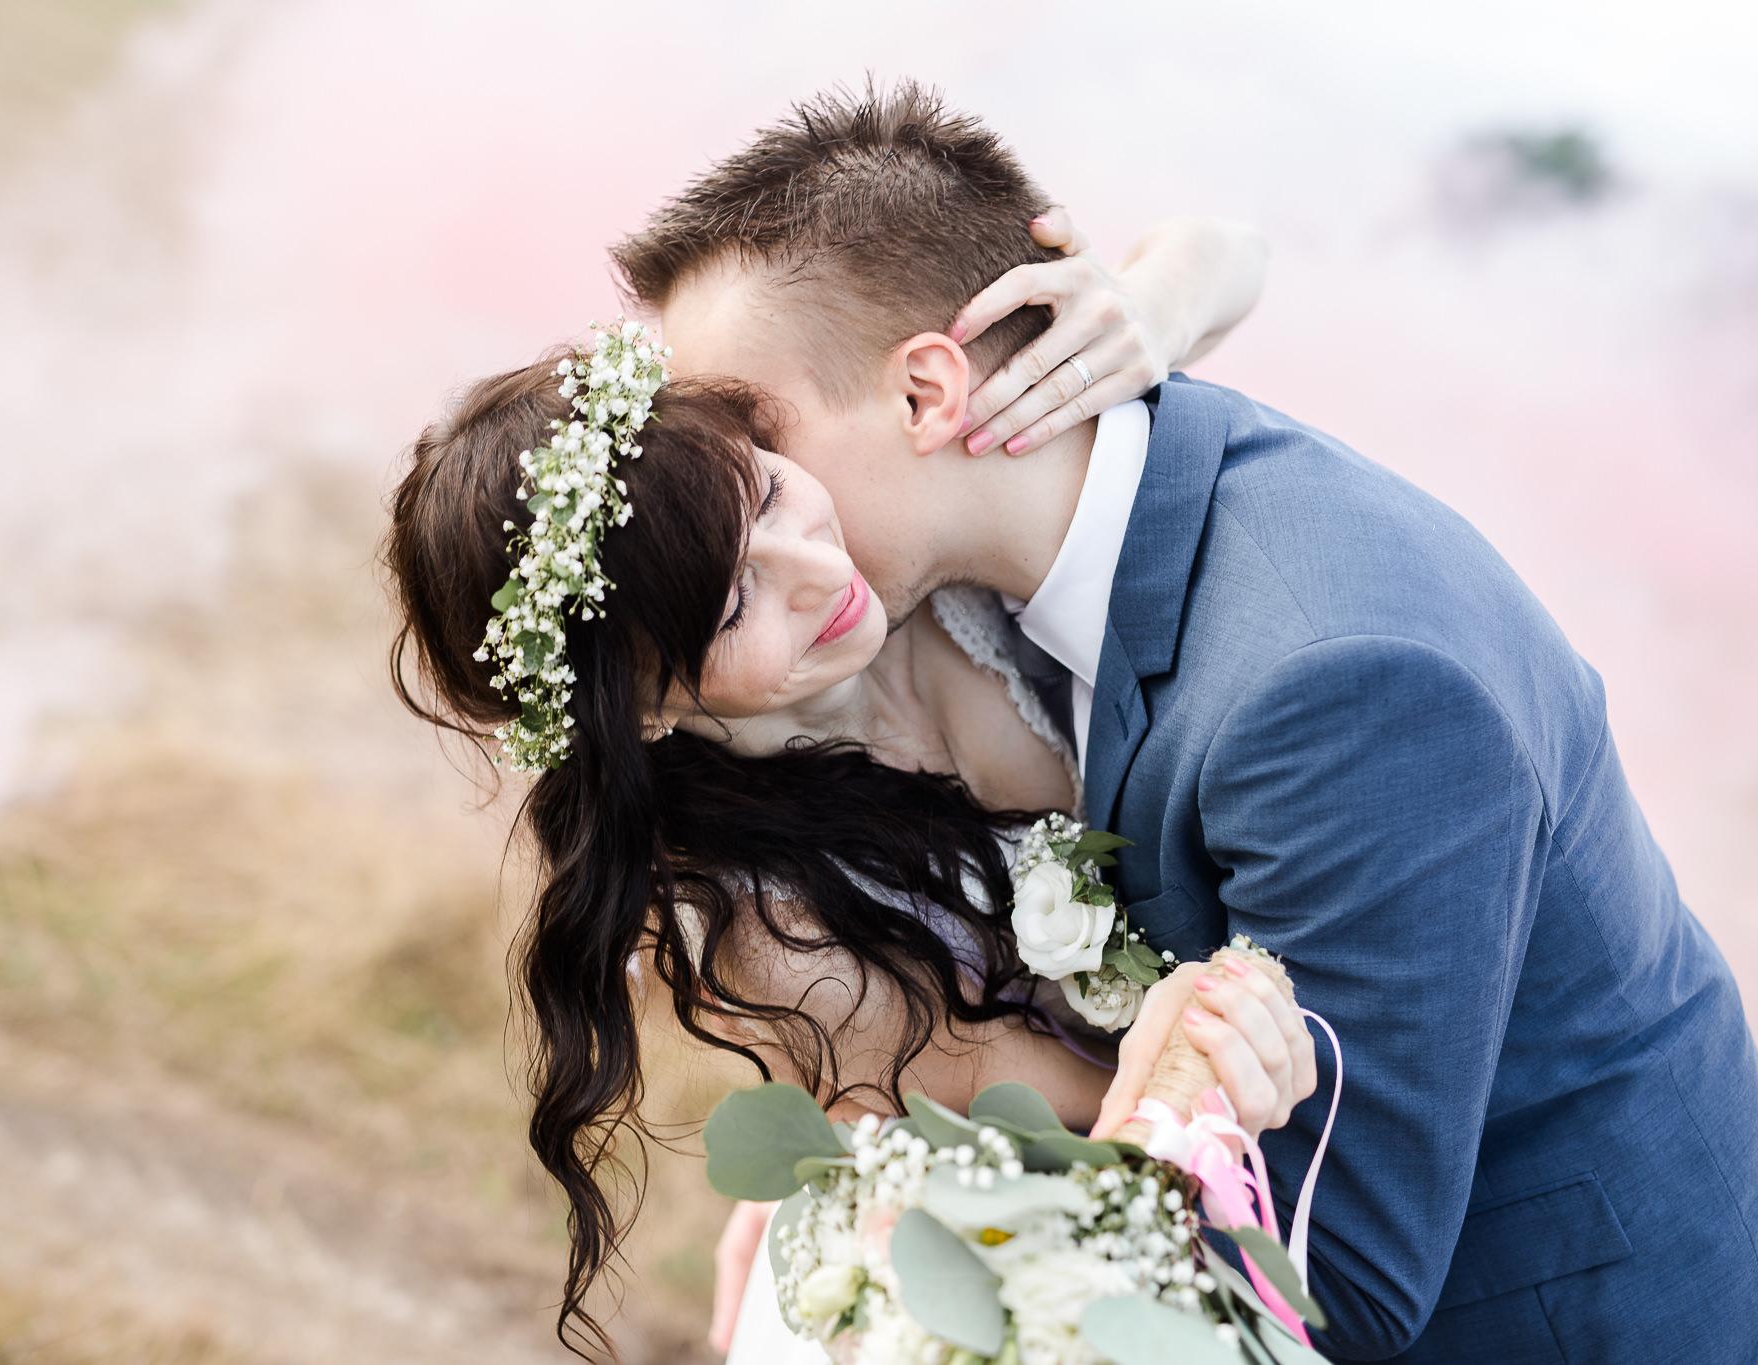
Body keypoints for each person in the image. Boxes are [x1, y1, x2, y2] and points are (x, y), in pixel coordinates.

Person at [607, 80, 1758, 1363]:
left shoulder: (1339, 688)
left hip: (1543, 1307)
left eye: (747, 436)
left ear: (930, 395)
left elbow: (1337, 1284)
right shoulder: (997, 556)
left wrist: (1138, 1114)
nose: (710, 494)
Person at [382, 208, 1312, 1359]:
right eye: (734, 605)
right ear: (645, 708)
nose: (821, 574)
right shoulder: (764, 929)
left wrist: (1143, 310)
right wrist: (1195, 1037)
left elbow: (1233, 246)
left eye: (767, 495)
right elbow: (1071, 1126)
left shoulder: (893, 535)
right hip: (1015, 1275)